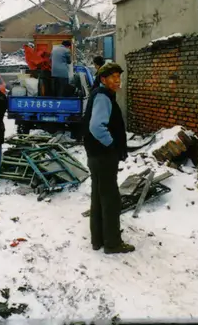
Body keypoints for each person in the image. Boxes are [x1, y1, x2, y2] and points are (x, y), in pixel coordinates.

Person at [83, 62, 134, 254]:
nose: (117, 81)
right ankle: (112, 243)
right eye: (113, 77)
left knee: (99, 197)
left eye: (119, 77)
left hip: (96, 156)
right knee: (111, 199)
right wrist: (111, 144)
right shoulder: (103, 97)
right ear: (103, 79)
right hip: (104, 156)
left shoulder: (99, 94)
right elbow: (96, 126)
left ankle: (98, 239)